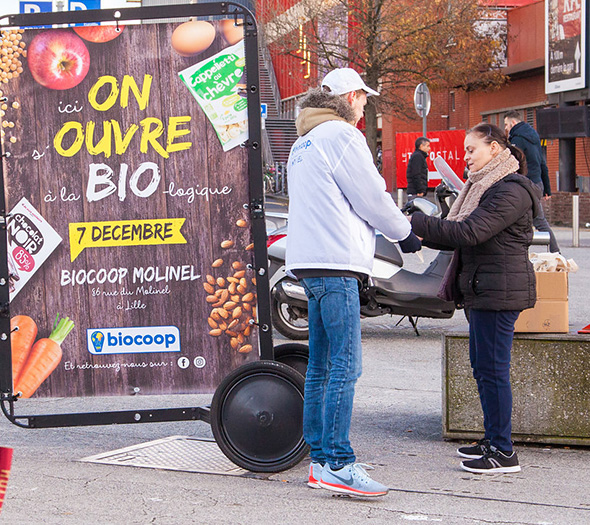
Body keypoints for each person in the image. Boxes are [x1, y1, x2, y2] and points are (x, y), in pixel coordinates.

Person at [285, 68, 421, 496]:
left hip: (308, 262)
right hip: (336, 263)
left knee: (321, 367)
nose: (365, 108)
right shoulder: (342, 136)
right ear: (350, 96)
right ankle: (340, 464)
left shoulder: (303, 142)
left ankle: (320, 461)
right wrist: (405, 234)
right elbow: (371, 196)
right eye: (363, 99)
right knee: (346, 365)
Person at [411, 123, 541, 474]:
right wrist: (413, 231)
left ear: (496, 149)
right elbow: (455, 235)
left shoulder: (511, 190)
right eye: (466, 150)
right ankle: (492, 438)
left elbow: (470, 231)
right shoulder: (483, 187)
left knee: (494, 371)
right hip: (483, 289)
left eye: (472, 149)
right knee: (483, 369)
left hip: (499, 293)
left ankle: (503, 451)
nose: (466, 156)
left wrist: (417, 223)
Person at [504, 110, 560, 253]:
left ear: (513, 123)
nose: (505, 128)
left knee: (538, 221)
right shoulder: (534, 137)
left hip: (526, 185)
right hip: (537, 183)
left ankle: (556, 253)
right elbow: (542, 163)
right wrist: (547, 188)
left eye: (506, 124)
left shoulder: (518, 139)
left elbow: (512, 163)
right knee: (523, 221)